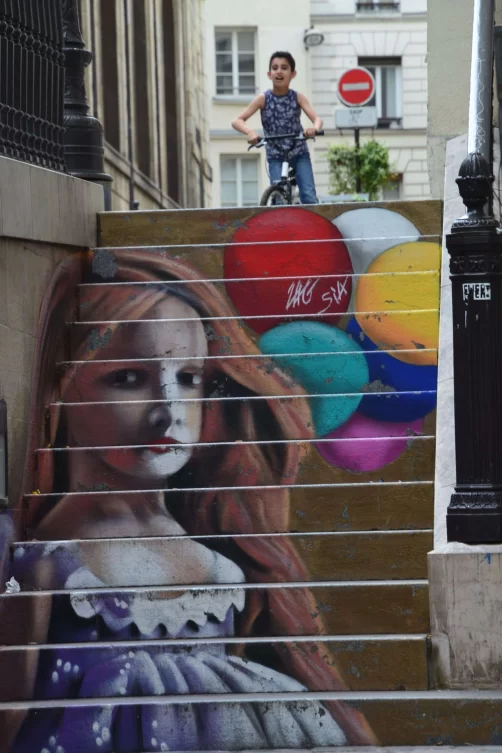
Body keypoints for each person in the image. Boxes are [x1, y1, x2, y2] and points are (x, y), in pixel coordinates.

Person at [0, 250, 376, 752]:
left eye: (188, 377)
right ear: (62, 390)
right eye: (128, 378)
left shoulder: (224, 573)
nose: (169, 412)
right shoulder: (44, 570)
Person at [232, 51, 323, 205]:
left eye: (284, 68)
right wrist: (250, 132)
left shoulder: (297, 97)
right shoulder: (263, 99)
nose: (279, 71)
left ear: (293, 74)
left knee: (308, 196)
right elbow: (237, 121)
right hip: (275, 154)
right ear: (269, 74)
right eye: (275, 68)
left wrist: (313, 129)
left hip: (298, 151)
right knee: (278, 198)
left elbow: (317, 119)